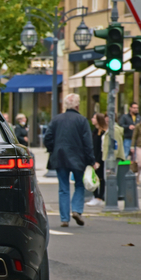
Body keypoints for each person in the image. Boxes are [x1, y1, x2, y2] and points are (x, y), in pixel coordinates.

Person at [43, 93, 95, 227]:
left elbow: (47, 138)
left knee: (63, 188)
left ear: (66, 105)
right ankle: (77, 210)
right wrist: (91, 160)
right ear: (77, 105)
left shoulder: (56, 119)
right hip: (78, 158)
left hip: (60, 157)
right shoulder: (82, 120)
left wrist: (53, 149)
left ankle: (64, 218)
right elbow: (87, 142)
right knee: (79, 184)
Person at [86, 113, 107, 207]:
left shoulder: (103, 133)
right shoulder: (94, 132)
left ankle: (99, 197)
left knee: (100, 177)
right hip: (93, 158)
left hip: (99, 159)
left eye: (94, 118)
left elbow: (102, 148)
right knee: (94, 177)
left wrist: (98, 161)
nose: (92, 119)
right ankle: (96, 196)